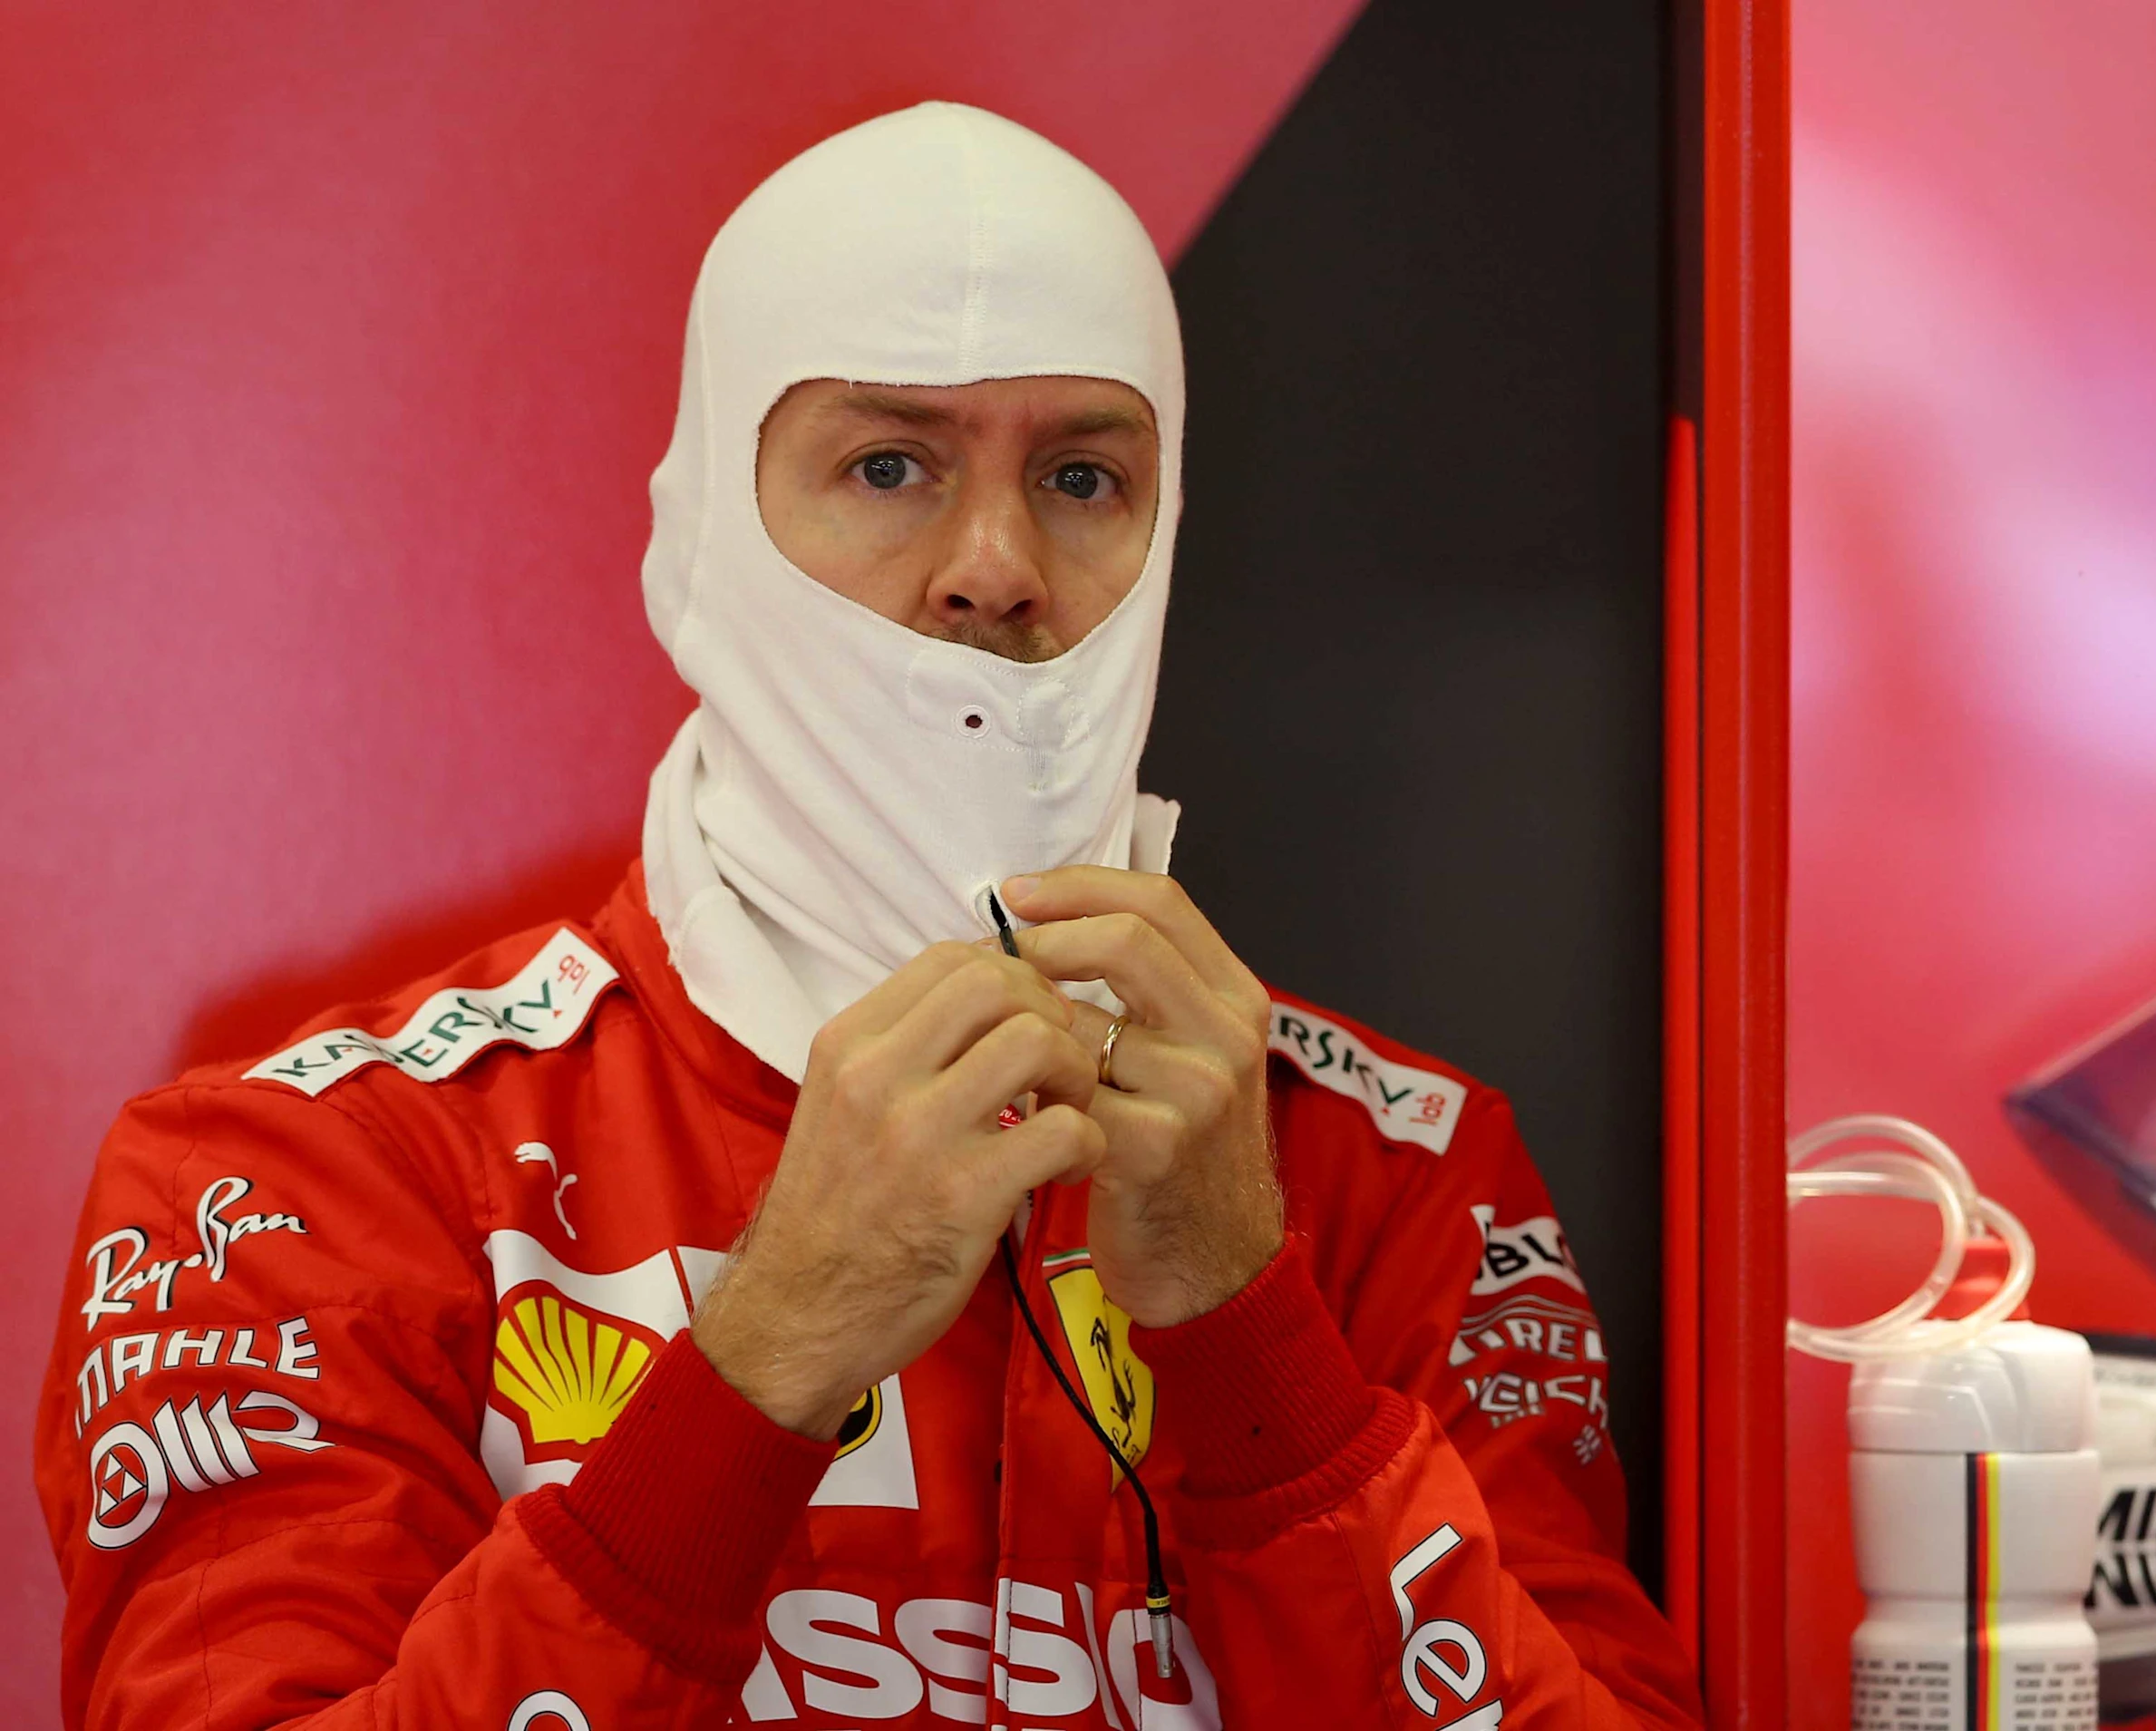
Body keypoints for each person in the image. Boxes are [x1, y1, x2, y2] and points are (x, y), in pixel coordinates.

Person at [36, 102, 1702, 1730]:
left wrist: (1252, 1336)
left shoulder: (1397, 1177)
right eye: (888, 464)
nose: (996, 565)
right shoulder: (299, 1180)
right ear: (707, 530)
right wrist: (767, 1354)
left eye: (1082, 476)